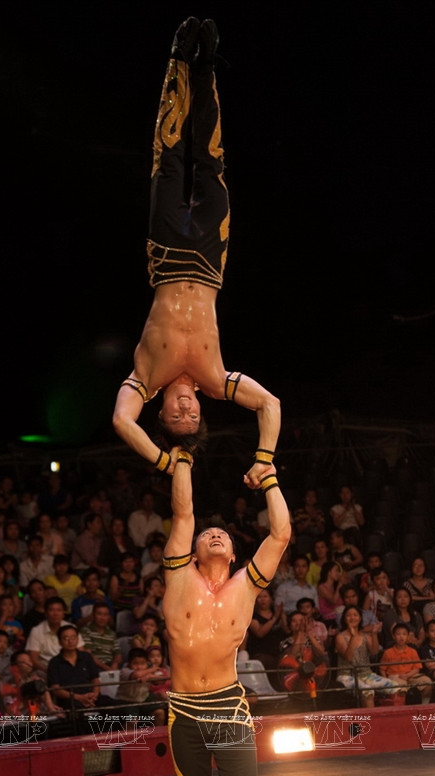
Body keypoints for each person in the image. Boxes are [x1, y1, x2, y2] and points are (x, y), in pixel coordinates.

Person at [112, 17, 280, 491]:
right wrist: (264, 458)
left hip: (167, 255)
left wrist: (167, 462)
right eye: (192, 416)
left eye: (176, 416)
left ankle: (178, 58)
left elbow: (123, 424)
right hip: (210, 259)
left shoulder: (144, 378)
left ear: (160, 411)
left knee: (169, 160)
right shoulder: (216, 377)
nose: (186, 409)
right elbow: (271, 405)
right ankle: (206, 66)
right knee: (210, 160)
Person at [163, 444, 291, 776]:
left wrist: (269, 478)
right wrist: (184, 462)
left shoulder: (247, 586)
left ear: (233, 551)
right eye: (205, 534)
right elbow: (183, 510)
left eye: (221, 534)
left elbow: (280, 532)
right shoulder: (177, 577)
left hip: (228, 707)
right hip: (183, 713)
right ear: (192, 549)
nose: (213, 534)